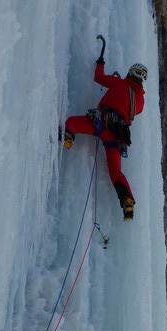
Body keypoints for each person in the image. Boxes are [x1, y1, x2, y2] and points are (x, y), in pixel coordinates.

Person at [62, 57, 148, 220]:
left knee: (72, 123)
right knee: (115, 171)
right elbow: (131, 111)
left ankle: (68, 135)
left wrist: (100, 64)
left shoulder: (119, 84)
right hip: (117, 138)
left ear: (131, 73)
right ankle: (126, 199)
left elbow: (98, 78)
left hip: (101, 123)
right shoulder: (141, 102)